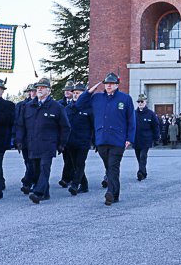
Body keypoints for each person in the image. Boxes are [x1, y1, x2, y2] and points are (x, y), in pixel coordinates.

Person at [77, 73, 135, 205]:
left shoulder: (125, 98)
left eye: (111, 83)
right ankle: (115, 194)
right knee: (109, 167)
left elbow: (131, 119)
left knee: (113, 166)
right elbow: (79, 104)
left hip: (118, 139)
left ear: (116, 85)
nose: (108, 85)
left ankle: (110, 193)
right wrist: (89, 91)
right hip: (102, 138)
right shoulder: (97, 97)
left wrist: (129, 138)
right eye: (106, 83)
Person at [14, 78, 70, 204]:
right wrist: (19, 141)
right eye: (38, 87)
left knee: (45, 167)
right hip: (32, 144)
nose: (39, 89)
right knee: (37, 169)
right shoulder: (28, 107)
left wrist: (62, 143)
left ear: (49, 91)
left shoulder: (56, 107)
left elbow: (65, 127)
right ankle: (45, 192)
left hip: (48, 143)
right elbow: (21, 125)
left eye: (42, 87)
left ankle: (38, 193)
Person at [64, 82, 94, 195]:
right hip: (71, 141)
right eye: (75, 93)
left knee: (80, 163)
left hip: (83, 141)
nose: (76, 95)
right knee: (75, 163)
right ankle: (84, 184)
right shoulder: (68, 109)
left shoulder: (89, 109)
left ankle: (75, 184)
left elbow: (93, 125)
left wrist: (94, 141)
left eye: (79, 93)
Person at [133, 94, 159, 181]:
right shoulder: (133, 114)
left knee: (143, 156)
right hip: (136, 139)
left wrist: (156, 139)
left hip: (146, 139)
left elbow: (155, 127)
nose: (140, 103)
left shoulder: (151, 114)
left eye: (142, 102)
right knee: (138, 157)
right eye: (139, 102)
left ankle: (140, 172)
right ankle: (144, 172)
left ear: (146, 102)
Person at [16, 84, 37, 193]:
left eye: (35, 90)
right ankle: (32, 180)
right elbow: (18, 123)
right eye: (30, 91)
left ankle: (27, 182)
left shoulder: (39, 104)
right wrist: (17, 139)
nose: (32, 93)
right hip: (25, 139)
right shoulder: (21, 105)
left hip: (36, 138)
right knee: (27, 161)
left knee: (32, 162)